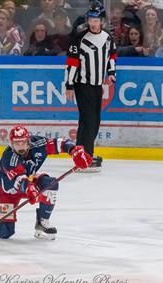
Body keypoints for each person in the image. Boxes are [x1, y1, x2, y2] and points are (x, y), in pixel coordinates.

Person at [0, 125, 92, 240]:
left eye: (23, 142)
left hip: (28, 183)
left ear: (28, 141)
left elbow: (61, 143)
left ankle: (42, 221)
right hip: (7, 191)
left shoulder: (38, 143)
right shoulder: (9, 157)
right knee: (5, 232)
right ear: (11, 144)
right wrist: (30, 189)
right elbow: (19, 179)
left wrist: (74, 151)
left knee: (50, 183)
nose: (20, 146)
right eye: (16, 143)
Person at [65, 2, 116, 171]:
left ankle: (81, 154)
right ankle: (87, 156)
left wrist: (111, 72)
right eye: (91, 19)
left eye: (96, 20)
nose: (93, 23)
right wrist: (69, 85)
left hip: (97, 85)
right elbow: (72, 63)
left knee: (91, 119)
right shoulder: (80, 37)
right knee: (90, 120)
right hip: (82, 84)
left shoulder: (107, 37)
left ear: (102, 21)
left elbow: (111, 54)